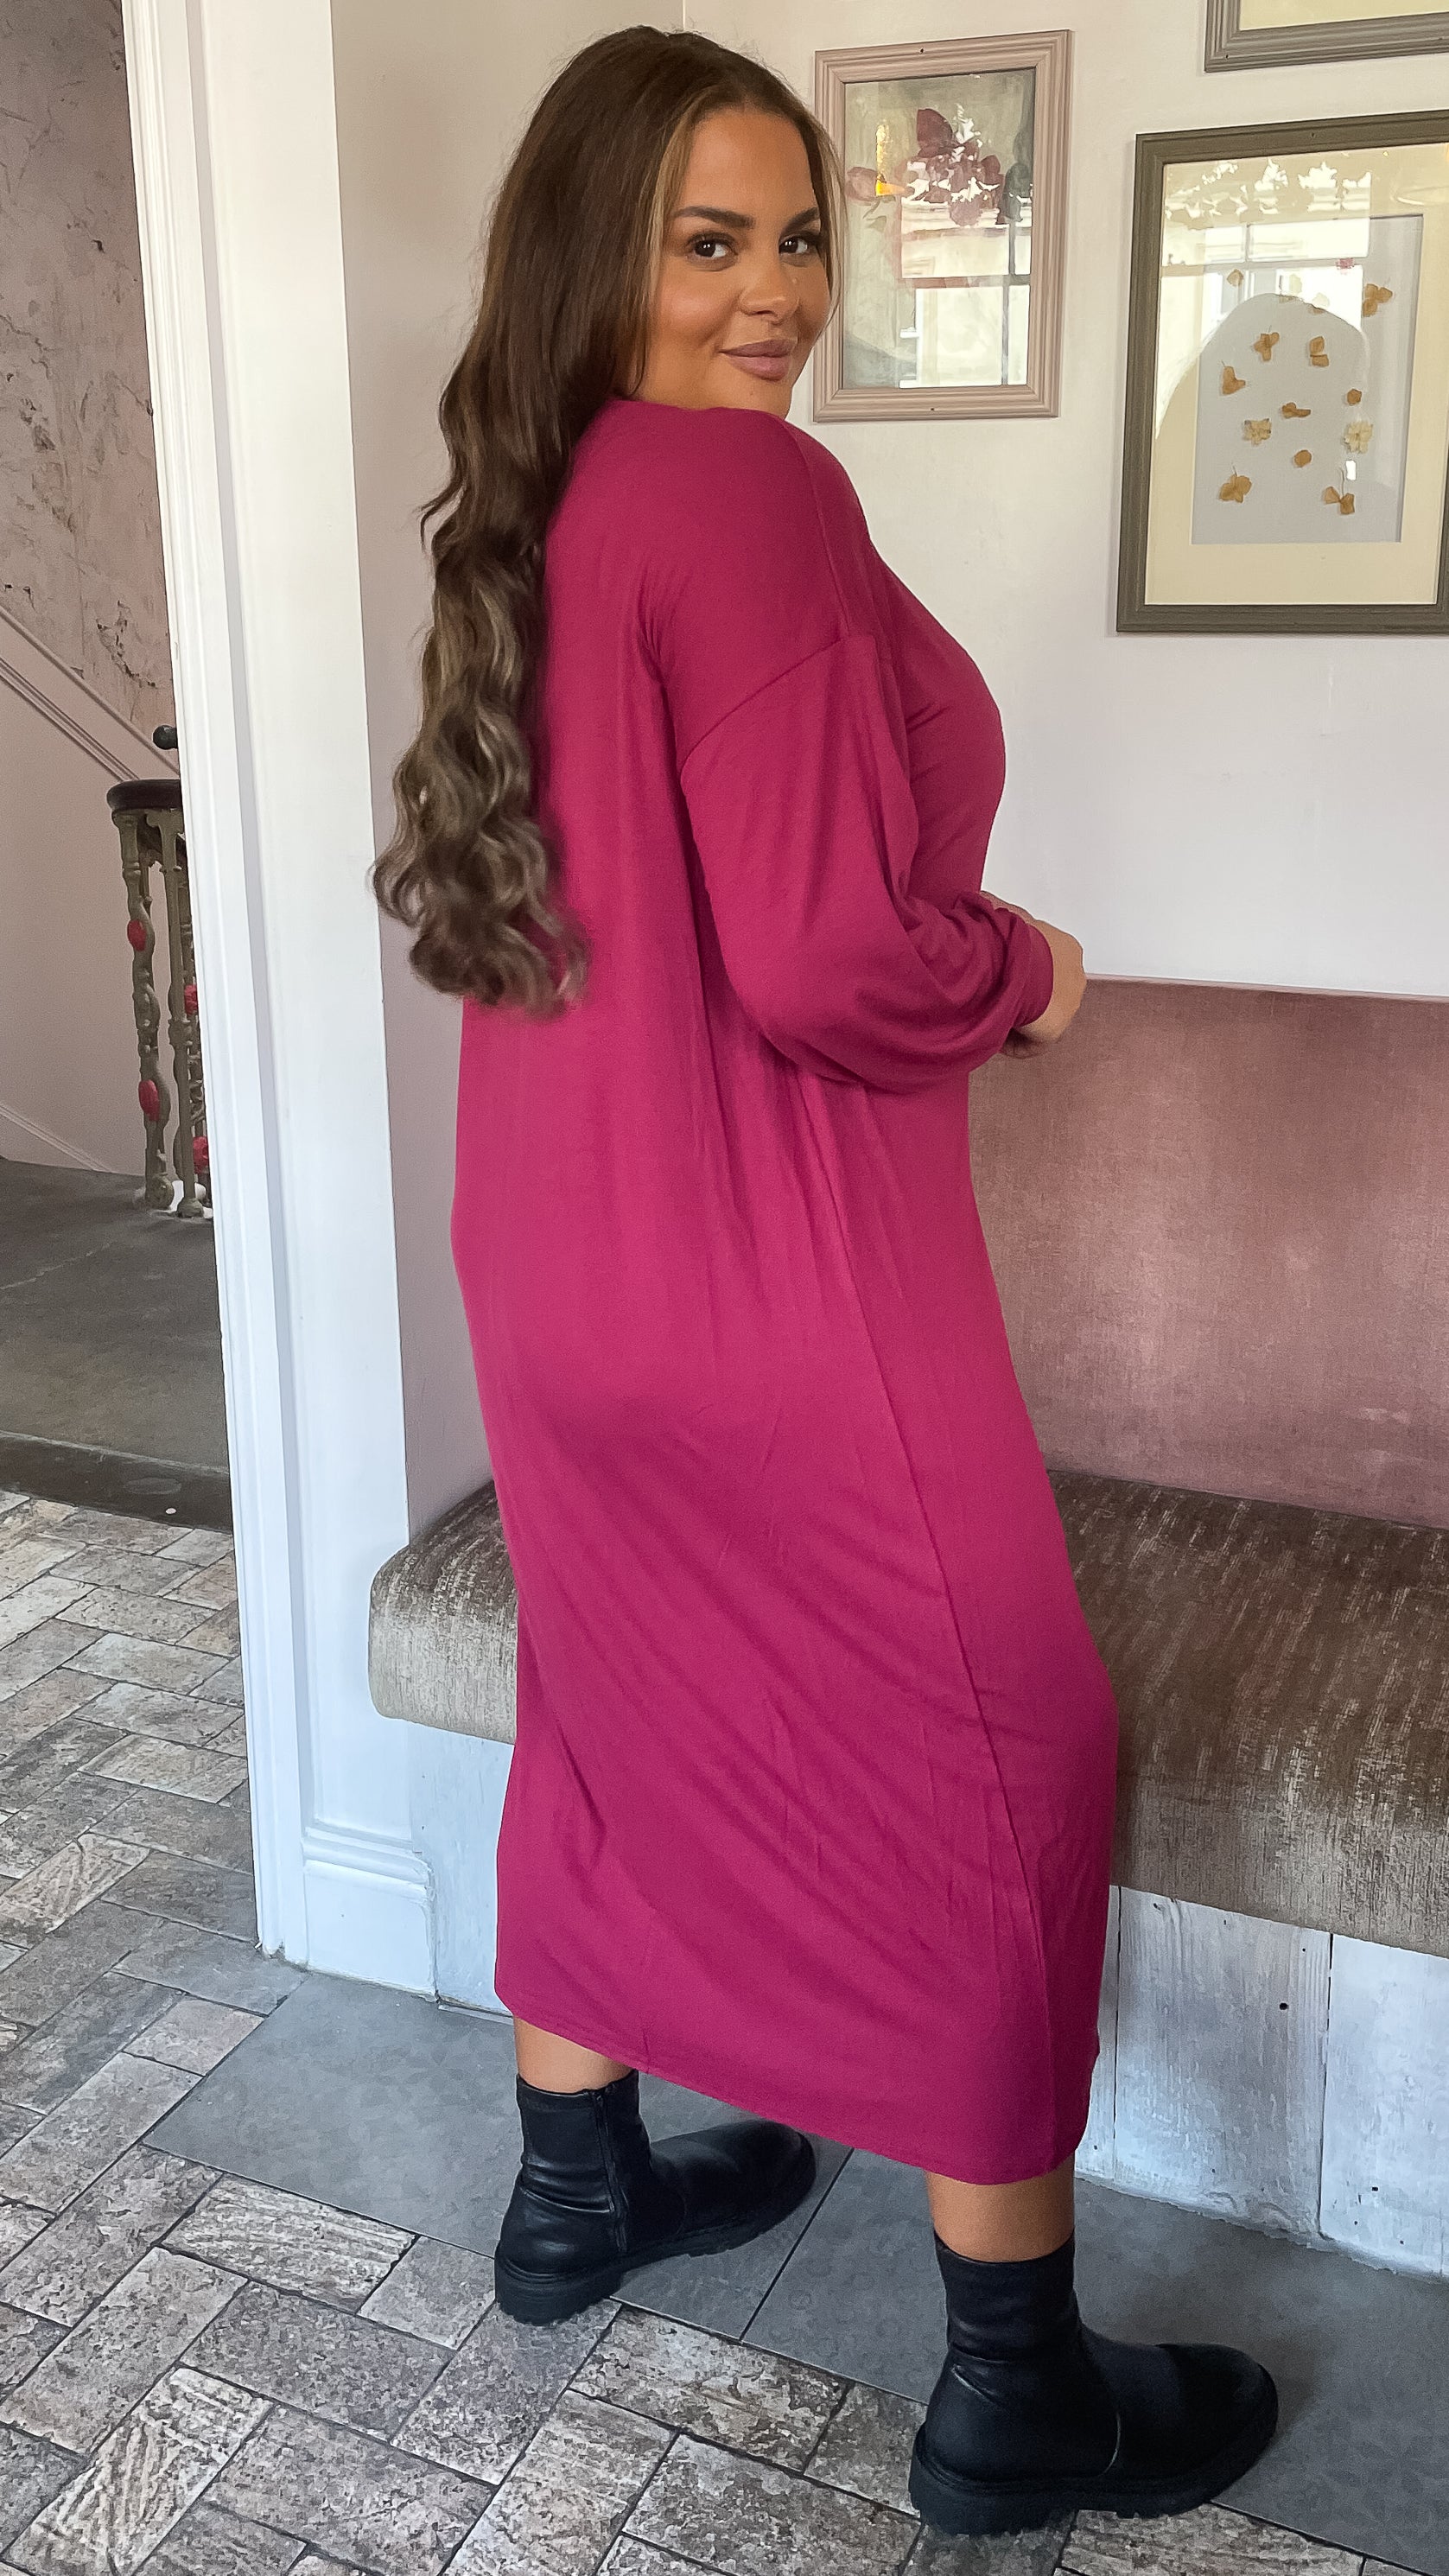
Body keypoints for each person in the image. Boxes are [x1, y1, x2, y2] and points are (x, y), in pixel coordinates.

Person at [372, 24, 1277, 2540]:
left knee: (612, 1697)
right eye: (710, 240)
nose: (774, 293)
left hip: (557, 1259)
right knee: (1011, 1752)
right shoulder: (749, 493)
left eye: (797, 238)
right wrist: (1020, 969)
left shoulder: (545, 505)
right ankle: (1017, 2387)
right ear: (599, 252)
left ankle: (577, 2195)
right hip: (775, 1281)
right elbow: (823, 958)